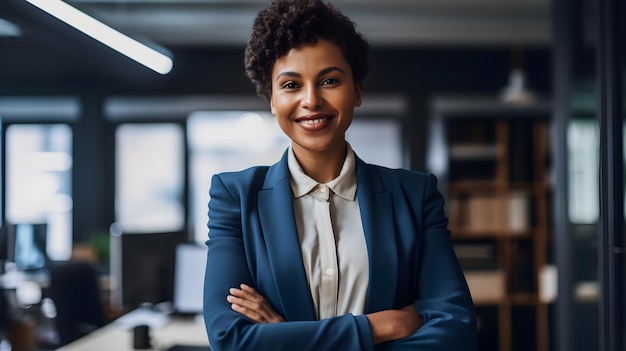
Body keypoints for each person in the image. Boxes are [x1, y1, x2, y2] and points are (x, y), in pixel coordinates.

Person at [202, 0, 477, 350]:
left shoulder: (415, 195)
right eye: (290, 85)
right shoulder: (235, 198)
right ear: (271, 99)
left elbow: (456, 332)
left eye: (329, 80)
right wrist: (378, 327)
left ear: (357, 91)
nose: (311, 100)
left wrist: (284, 338)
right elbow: (230, 340)